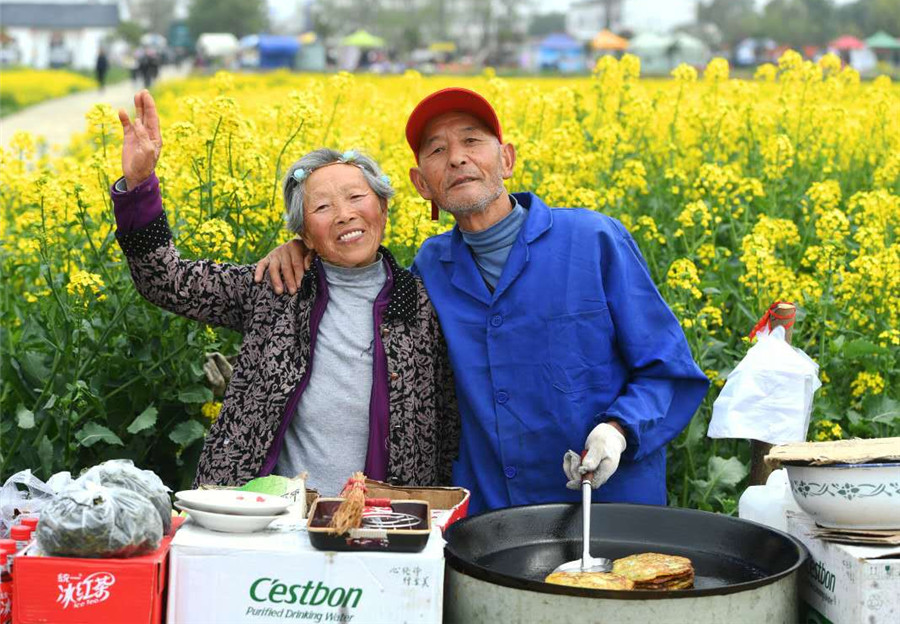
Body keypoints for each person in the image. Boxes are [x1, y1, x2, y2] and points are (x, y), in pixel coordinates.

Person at [259, 87, 710, 514]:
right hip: (491, 520)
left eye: (472, 141)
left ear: (506, 159)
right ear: (421, 184)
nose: (457, 158)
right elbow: (362, 319)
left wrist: (619, 429)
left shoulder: (595, 240)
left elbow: (668, 371)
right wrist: (303, 251)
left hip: (607, 509)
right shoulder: (429, 269)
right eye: (437, 150)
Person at [110, 90, 459, 495]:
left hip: (385, 517)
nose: (344, 214)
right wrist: (139, 186)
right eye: (322, 207)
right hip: (269, 514)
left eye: (356, 197)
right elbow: (167, 281)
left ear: (383, 208)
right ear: (303, 233)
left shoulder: (422, 302)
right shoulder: (277, 288)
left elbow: (451, 422)